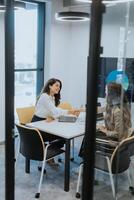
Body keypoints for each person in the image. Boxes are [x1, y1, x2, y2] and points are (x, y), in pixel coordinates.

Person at [31, 78, 80, 165]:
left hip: (45, 122)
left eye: (60, 86)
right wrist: (69, 111)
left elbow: (53, 112)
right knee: (61, 137)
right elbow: (55, 111)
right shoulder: (45, 96)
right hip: (37, 125)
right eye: (56, 85)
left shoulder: (52, 97)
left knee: (62, 134)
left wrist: (52, 117)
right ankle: (49, 156)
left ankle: (50, 155)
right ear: (50, 86)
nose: (59, 88)